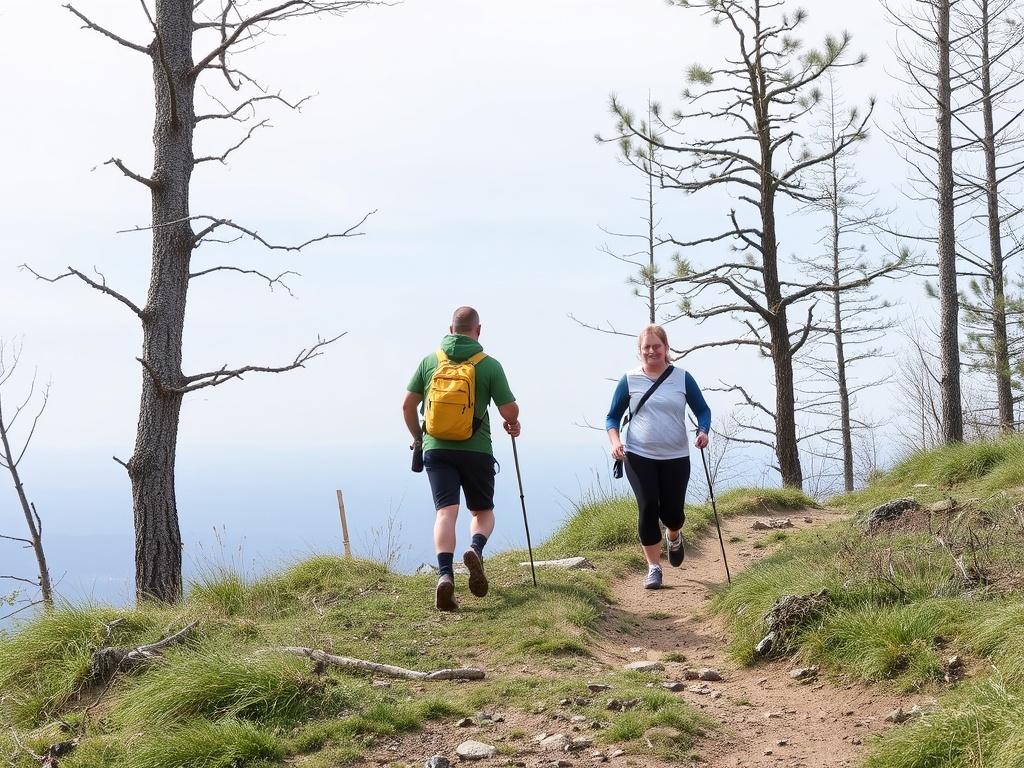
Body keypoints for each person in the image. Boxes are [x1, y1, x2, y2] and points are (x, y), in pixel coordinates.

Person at [403, 306, 521, 611]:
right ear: (478, 330)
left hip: (437, 449)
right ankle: (475, 549)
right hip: (476, 450)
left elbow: (407, 405)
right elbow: (509, 410)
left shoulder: (430, 362)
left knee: (445, 513)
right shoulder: (488, 365)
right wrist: (513, 422)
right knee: (482, 512)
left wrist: (418, 437)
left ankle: (445, 575)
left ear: (450, 329)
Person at [605, 324, 711, 589]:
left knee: (673, 514)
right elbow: (612, 417)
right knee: (648, 506)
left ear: (666, 348)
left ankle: (673, 535)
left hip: (676, 456)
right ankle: (654, 568)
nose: (651, 351)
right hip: (639, 455)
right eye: (646, 347)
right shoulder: (629, 380)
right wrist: (615, 442)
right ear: (639, 350)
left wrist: (703, 431)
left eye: (656, 346)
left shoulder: (682, 378)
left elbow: (703, 410)